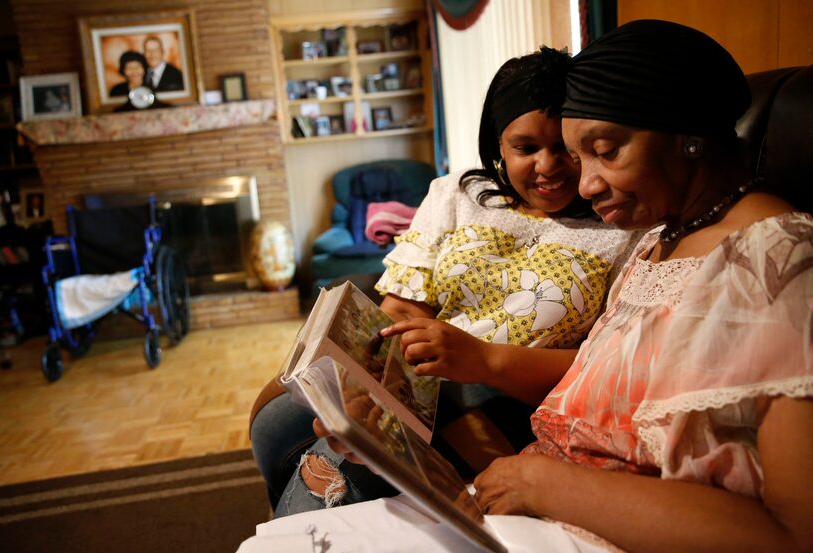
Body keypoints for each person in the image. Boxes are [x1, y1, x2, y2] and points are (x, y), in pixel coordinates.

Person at [238, 20, 812, 553]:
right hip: (519, 491)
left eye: (604, 152)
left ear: (685, 132)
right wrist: (400, 448)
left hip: (560, 504)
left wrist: (541, 481)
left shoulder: (779, 261)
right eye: (570, 152)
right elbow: (591, 379)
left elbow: (793, 533)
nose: (583, 183)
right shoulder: (660, 238)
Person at [251, 47, 642, 518]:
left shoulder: (622, 225)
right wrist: (373, 378)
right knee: (277, 425)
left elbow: (604, 368)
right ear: (497, 144)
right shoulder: (459, 193)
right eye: (525, 148)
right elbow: (402, 309)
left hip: (510, 398)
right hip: (419, 382)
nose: (549, 166)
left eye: (565, 147)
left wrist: (481, 361)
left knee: (333, 471)